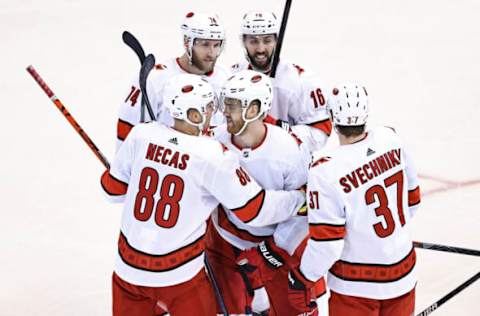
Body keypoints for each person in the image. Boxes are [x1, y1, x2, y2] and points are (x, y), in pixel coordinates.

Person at [100, 74, 306, 316]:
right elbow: (253, 210)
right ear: (194, 115)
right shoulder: (212, 154)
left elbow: (111, 191)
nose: (216, 112)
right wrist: (298, 198)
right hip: (179, 275)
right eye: (209, 107)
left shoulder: (141, 135)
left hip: (127, 271)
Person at [286, 83, 421, 315]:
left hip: (355, 288)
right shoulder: (390, 138)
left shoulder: (325, 170)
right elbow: (413, 200)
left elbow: (327, 244)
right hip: (404, 275)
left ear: (332, 116)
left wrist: (302, 277)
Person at [205, 70, 324, 315]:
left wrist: (271, 251)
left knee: (295, 309)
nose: (224, 111)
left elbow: (305, 214)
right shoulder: (213, 142)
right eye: (225, 103)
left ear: (254, 110)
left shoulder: (291, 151)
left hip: (276, 246)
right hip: (225, 242)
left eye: (233, 105)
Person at [117, 11, 229, 150]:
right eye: (205, 44)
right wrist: (120, 168)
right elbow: (128, 131)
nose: (212, 53)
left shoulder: (226, 79)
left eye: (216, 45)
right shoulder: (155, 79)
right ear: (187, 42)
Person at [231, 11, 332, 152]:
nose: (260, 49)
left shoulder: (301, 81)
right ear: (244, 42)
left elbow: (320, 132)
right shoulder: (233, 77)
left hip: (285, 163)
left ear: (276, 41)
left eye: (267, 41)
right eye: (253, 41)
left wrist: (275, 129)